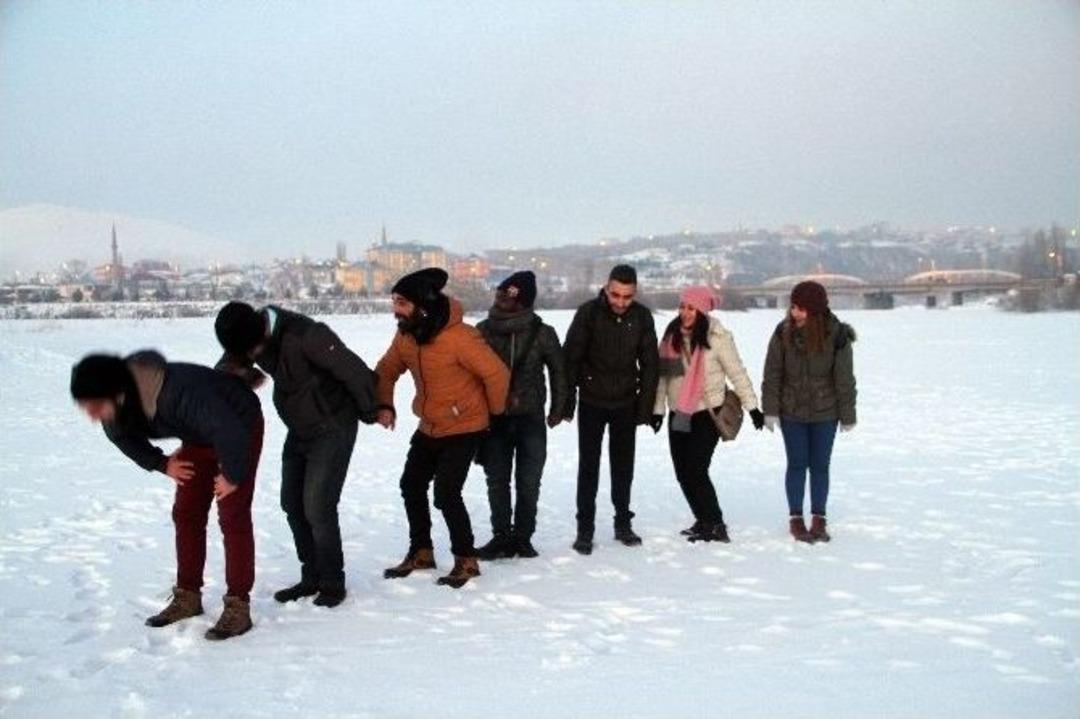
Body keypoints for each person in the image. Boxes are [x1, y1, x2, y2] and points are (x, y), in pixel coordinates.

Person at [70, 351, 263, 640]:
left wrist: (232, 475)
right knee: (186, 512)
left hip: (238, 423)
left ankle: (238, 606)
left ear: (115, 392)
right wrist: (162, 463)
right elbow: (122, 438)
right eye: (85, 407)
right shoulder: (114, 411)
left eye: (95, 406)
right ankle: (188, 597)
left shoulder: (175, 392)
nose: (92, 415)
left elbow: (228, 429)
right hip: (199, 433)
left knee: (232, 514)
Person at [214, 302, 378, 608]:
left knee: (318, 506)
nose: (253, 357)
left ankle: (332, 582)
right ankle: (311, 576)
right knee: (291, 503)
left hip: (333, 425)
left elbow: (353, 369)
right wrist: (239, 375)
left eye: (253, 351)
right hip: (300, 428)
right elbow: (229, 364)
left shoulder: (307, 336)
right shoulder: (246, 335)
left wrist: (374, 409)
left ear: (262, 334)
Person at [374, 268, 510, 588]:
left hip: (465, 425)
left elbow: (497, 374)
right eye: (394, 302)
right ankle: (421, 552)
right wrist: (385, 405)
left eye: (402, 303)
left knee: (447, 492)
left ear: (422, 306)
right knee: (411, 484)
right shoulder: (406, 335)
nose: (396, 310)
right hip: (430, 424)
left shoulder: (459, 337)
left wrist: (494, 416)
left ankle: (466, 560)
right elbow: (386, 370)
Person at [653, 286, 765, 542]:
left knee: (696, 469)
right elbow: (663, 378)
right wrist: (658, 410)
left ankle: (715, 524)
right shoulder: (671, 337)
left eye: (691, 308)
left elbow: (737, 373)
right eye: (682, 307)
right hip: (679, 413)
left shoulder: (718, 337)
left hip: (708, 411)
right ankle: (702, 520)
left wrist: (752, 407)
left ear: (702, 311)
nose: (685, 312)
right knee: (682, 472)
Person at [563, 264, 659, 554]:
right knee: (588, 467)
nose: (621, 302)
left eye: (627, 297)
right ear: (606, 288)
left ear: (635, 293)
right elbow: (571, 359)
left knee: (623, 467)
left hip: (625, 403)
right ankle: (585, 529)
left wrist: (645, 408)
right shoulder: (588, 313)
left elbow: (650, 365)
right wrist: (567, 402)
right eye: (615, 295)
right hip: (592, 401)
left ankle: (623, 523)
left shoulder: (641, 317)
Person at [474, 271, 569, 560]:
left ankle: (523, 538)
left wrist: (558, 408)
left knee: (529, 482)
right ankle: (501, 537)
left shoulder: (542, 332)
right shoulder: (482, 331)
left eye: (508, 296)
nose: (501, 300)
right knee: (497, 480)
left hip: (531, 419)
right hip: (494, 419)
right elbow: (470, 376)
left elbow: (559, 371)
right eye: (500, 294)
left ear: (523, 302)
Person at [761, 281, 857, 543]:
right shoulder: (783, 332)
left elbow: (844, 378)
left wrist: (848, 414)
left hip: (826, 413)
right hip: (792, 413)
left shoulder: (837, 335)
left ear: (815, 310)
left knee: (820, 466)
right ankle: (796, 519)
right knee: (797, 463)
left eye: (801, 308)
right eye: (793, 307)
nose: (795, 313)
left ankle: (819, 519)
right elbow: (772, 373)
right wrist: (770, 409)